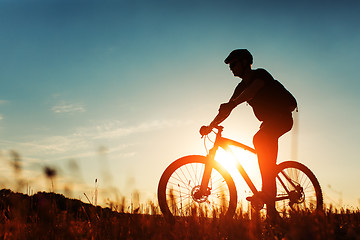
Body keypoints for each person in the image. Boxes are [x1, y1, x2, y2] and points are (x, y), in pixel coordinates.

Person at [200, 49, 297, 217]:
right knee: (262, 146)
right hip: (268, 123)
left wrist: (233, 103)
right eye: (229, 65)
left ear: (245, 62)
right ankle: (272, 212)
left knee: (259, 139)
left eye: (233, 63)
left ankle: (267, 188)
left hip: (283, 118)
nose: (231, 68)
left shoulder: (260, 74)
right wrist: (211, 125)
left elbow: (252, 91)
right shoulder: (240, 87)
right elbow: (227, 109)